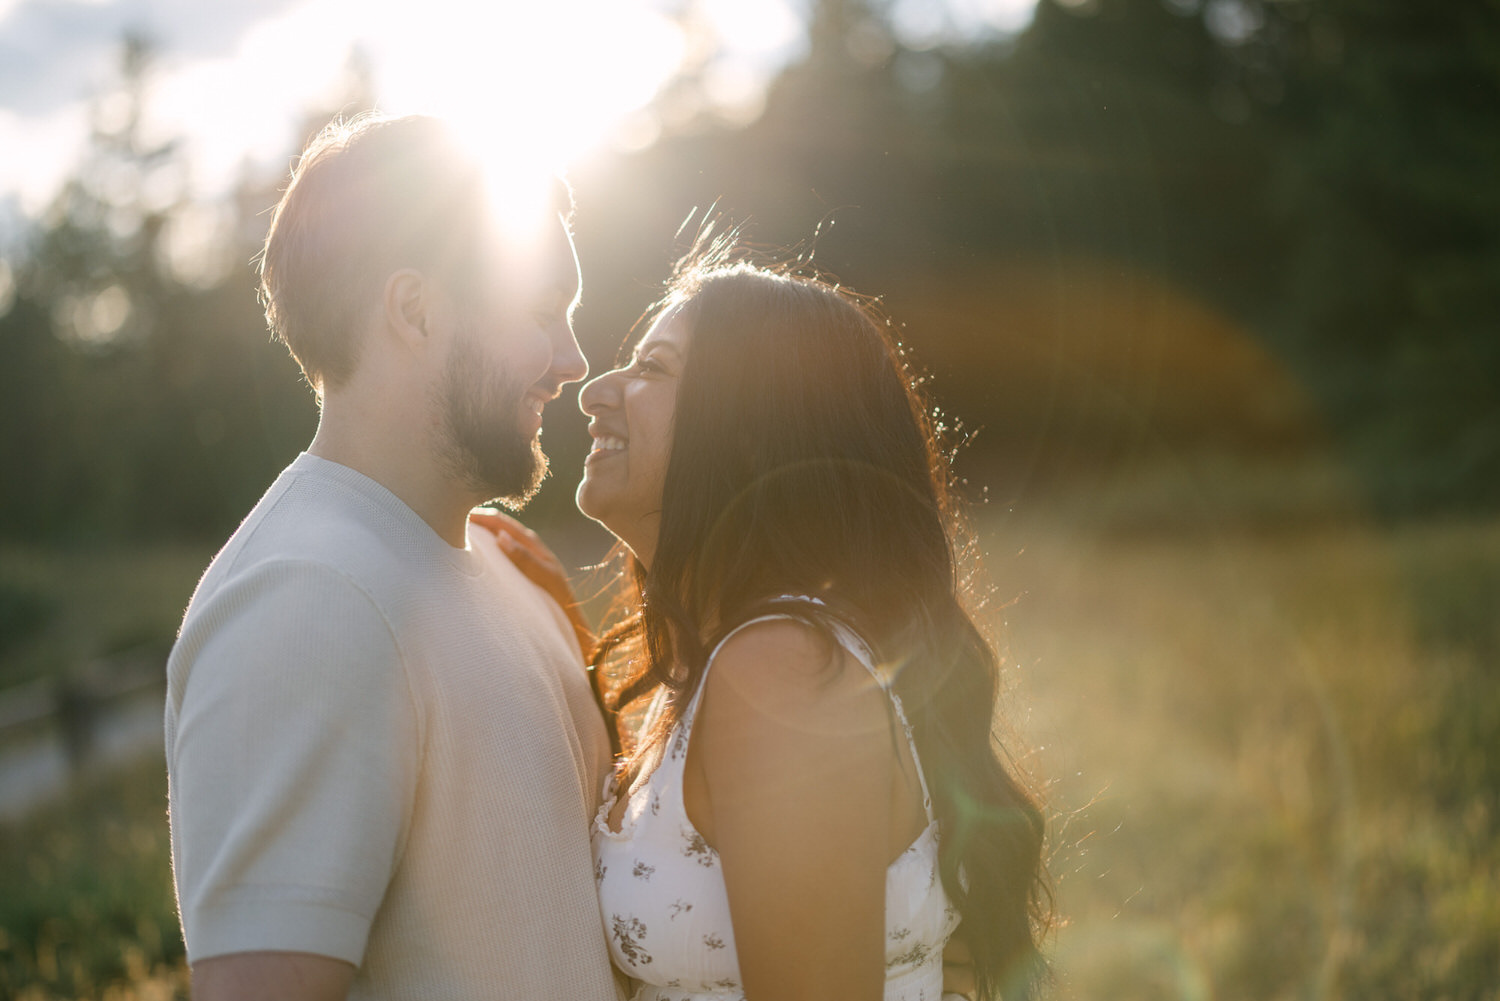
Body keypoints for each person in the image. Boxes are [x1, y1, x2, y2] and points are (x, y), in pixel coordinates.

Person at [164, 114, 620, 1000]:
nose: (574, 360)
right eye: (541, 314)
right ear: (414, 310)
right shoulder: (304, 598)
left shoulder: (503, 571)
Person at [571, 239, 1053, 1001]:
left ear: (753, 430)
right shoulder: (726, 664)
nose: (596, 390)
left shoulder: (780, 672)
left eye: (652, 369)